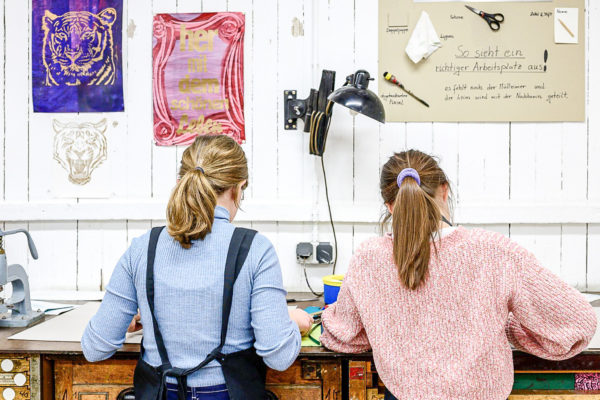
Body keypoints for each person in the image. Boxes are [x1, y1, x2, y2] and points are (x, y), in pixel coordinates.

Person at [320, 149, 597, 400]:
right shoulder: (496, 252)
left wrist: (387, 327)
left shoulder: (368, 259)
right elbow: (578, 323)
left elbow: (343, 336)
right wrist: (506, 328)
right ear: (444, 190)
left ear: (390, 205)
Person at [82, 135, 313, 400]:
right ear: (239, 188)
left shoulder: (142, 247)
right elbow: (279, 355)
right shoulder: (256, 250)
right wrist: (291, 322)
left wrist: (137, 316)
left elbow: (95, 347)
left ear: (181, 183)